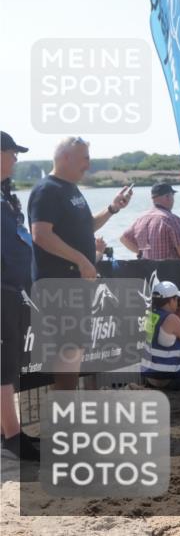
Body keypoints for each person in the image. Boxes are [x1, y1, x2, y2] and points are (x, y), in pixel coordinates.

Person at [27, 137, 133, 390]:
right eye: (85, 157)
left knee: (74, 351)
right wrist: (82, 260)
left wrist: (112, 208)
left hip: (75, 286)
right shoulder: (47, 190)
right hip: (58, 286)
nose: (89, 163)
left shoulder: (72, 189)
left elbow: (87, 226)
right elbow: (40, 234)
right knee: (68, 351)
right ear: (66, 157)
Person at [0, 132, 38, 461]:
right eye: (12, 152)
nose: (16, 159)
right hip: (2, 291)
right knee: (4, 365)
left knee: (9, 363)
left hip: (13, 290)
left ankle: (7, 432)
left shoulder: (6, 194)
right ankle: (12, 437)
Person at [120, 183, 180, 261]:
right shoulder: (172, 220)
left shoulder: (141, 218)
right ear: (167, 197)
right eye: (172, 195)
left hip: (147, 271)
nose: (173, 199)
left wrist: (141, 253)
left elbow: (124, 239)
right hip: (170, 271)